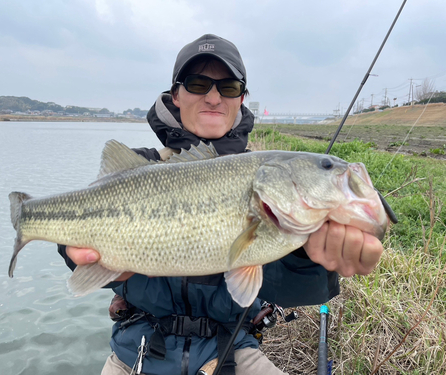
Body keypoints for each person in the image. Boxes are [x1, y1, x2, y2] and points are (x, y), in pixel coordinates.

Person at [58, 34, 384, 375]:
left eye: (227, 87)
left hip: (230, 352)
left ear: (241, 99)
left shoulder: (268, 190)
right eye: (198, 84)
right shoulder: (140, 168)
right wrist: (72, 251)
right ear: (175, 96)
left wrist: (309, 257)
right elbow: (78, 230)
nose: (213, 97)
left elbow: (292, 290)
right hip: (136, 351)